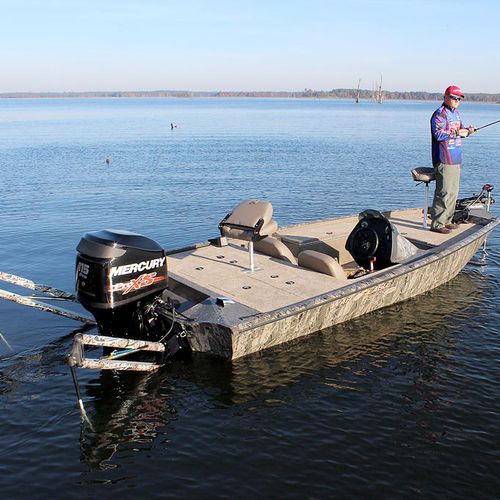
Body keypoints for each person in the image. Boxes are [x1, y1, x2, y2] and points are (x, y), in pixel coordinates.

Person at [430, 85, 475, 234]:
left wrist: (468, 131)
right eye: (453, 98)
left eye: (459, 98)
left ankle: (447, 220)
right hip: (443, 158)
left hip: (456, 158)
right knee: (444, 192)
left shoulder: (456, 114)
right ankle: (437, 224)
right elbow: (438, 134)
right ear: (446, 97)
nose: (456, 101)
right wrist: (457, 132)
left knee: (453, 192)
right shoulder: (439, 114)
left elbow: (460, 129)